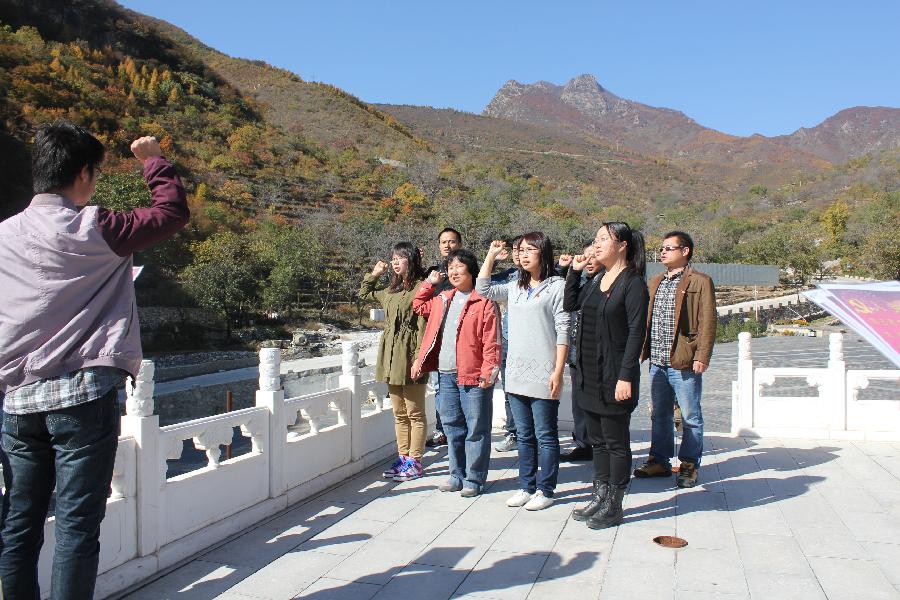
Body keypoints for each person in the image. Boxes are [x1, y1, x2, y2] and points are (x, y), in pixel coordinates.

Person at [0, 121, 190, 598]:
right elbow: (170, 212)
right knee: (77, 526)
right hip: (82, 396)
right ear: (84, 173)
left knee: (18, 524)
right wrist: (153, 159)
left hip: (18, 402)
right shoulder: (98, 226)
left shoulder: (4, 235)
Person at [477, 233, 570, 511]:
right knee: (525, 435)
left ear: (544, 253)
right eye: (521, 250)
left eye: (531, 249)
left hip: (544, 373)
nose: (524, 254)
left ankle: (546, 489)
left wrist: (558, 371)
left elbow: (564, 331)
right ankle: (526, 487)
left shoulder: (557, 286)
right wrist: (491, 256)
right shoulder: (514, 286)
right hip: (516, 373)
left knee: (546, 435)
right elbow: (483, 288)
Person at [565, 222, 648, 530]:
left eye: (603, 239)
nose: (596, 244)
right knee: (598, 441)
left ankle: (614, 503)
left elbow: (636, 333)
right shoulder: (597, 278)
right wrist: (574, 272)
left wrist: (626, 376)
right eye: (596, 239)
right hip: (589, 374)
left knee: (615, 442)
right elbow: (570, 304)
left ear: (622, 245)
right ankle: (599, 495)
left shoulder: (633, 283)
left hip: (614, 376)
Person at [411, 249, 501, 496]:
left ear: (471, 270)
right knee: (452, 427)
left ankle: (474, 479)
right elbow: (418, 306)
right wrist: (429, 284)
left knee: (476, 428)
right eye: (450, 267)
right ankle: (455, 475)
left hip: (473, 374)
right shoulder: (443, 299)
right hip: (445, 374)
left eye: (459, 266)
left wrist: (489, 370)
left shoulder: (484, 301)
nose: (453, 271)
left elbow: (492, 341)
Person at [634, 231, 716, 488]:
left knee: (691, 416)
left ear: (685, 251)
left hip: (684, 361)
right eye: (662, 248)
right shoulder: (655, 281)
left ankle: (689, 464)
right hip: (657, 361)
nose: (663, 252)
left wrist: (702, 355)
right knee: (659, 414)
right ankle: (659, 460)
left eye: (669, 248)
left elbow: (708, 321)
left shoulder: (700, 281)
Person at [359, 242, 428, 482]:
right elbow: (363, 294)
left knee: (415, 412)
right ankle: (403, 458)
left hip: (409, 353)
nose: (395, 262)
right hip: (390, 354)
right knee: (399, 413)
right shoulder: (391, 290)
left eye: (400, 257)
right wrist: (375, 274)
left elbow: (423, 327)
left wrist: (419, 358)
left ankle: (415, 462)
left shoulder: (422, 287)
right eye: (393, 258)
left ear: (411, 259)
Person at [556, 242, 600, 461]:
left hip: (598, 354)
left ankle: (601, 446)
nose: (588, 261)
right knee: (579, 402)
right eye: (585, 256)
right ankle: (583, 444)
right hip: (576, 353)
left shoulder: (608, 282)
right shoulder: (581, 280)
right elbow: (564, 295)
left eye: (594, 256)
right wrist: (565, 268)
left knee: (598, 403)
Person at [423, 227, 463, 447]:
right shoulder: (434, 273)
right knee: (440, 387)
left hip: (462, 337)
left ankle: (461, 428)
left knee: (464, 386)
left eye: (452, 241)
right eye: (443, 242)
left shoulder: (467, 270)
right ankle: (443, 429)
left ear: (460, 244)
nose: (448, 245)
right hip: (439, 338)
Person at [493, 235, 521, 453]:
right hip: (508, 341)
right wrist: (493, 260)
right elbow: (483, 284)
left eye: (525, 249)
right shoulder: (509, 275)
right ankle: (514, 433)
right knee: (509, 391)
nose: (519, 254)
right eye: (516, 250)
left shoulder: (549, 277)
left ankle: (532, 434)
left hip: (534, 343)